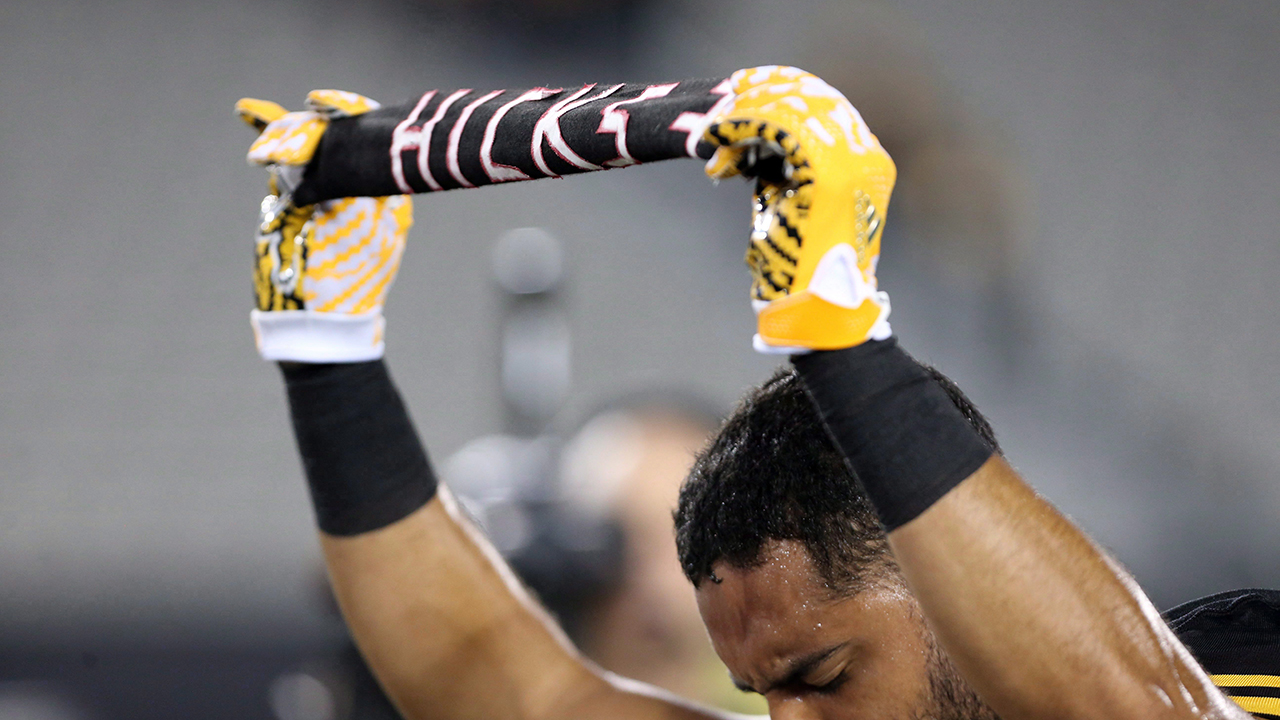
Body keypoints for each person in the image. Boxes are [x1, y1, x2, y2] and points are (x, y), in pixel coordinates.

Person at [236, 68, 1273, 719]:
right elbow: (499, 682)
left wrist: (837, 337)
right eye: (764, 691)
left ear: (951, 592)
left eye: (821, 677)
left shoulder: (1240, 663)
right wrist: (326, 352)